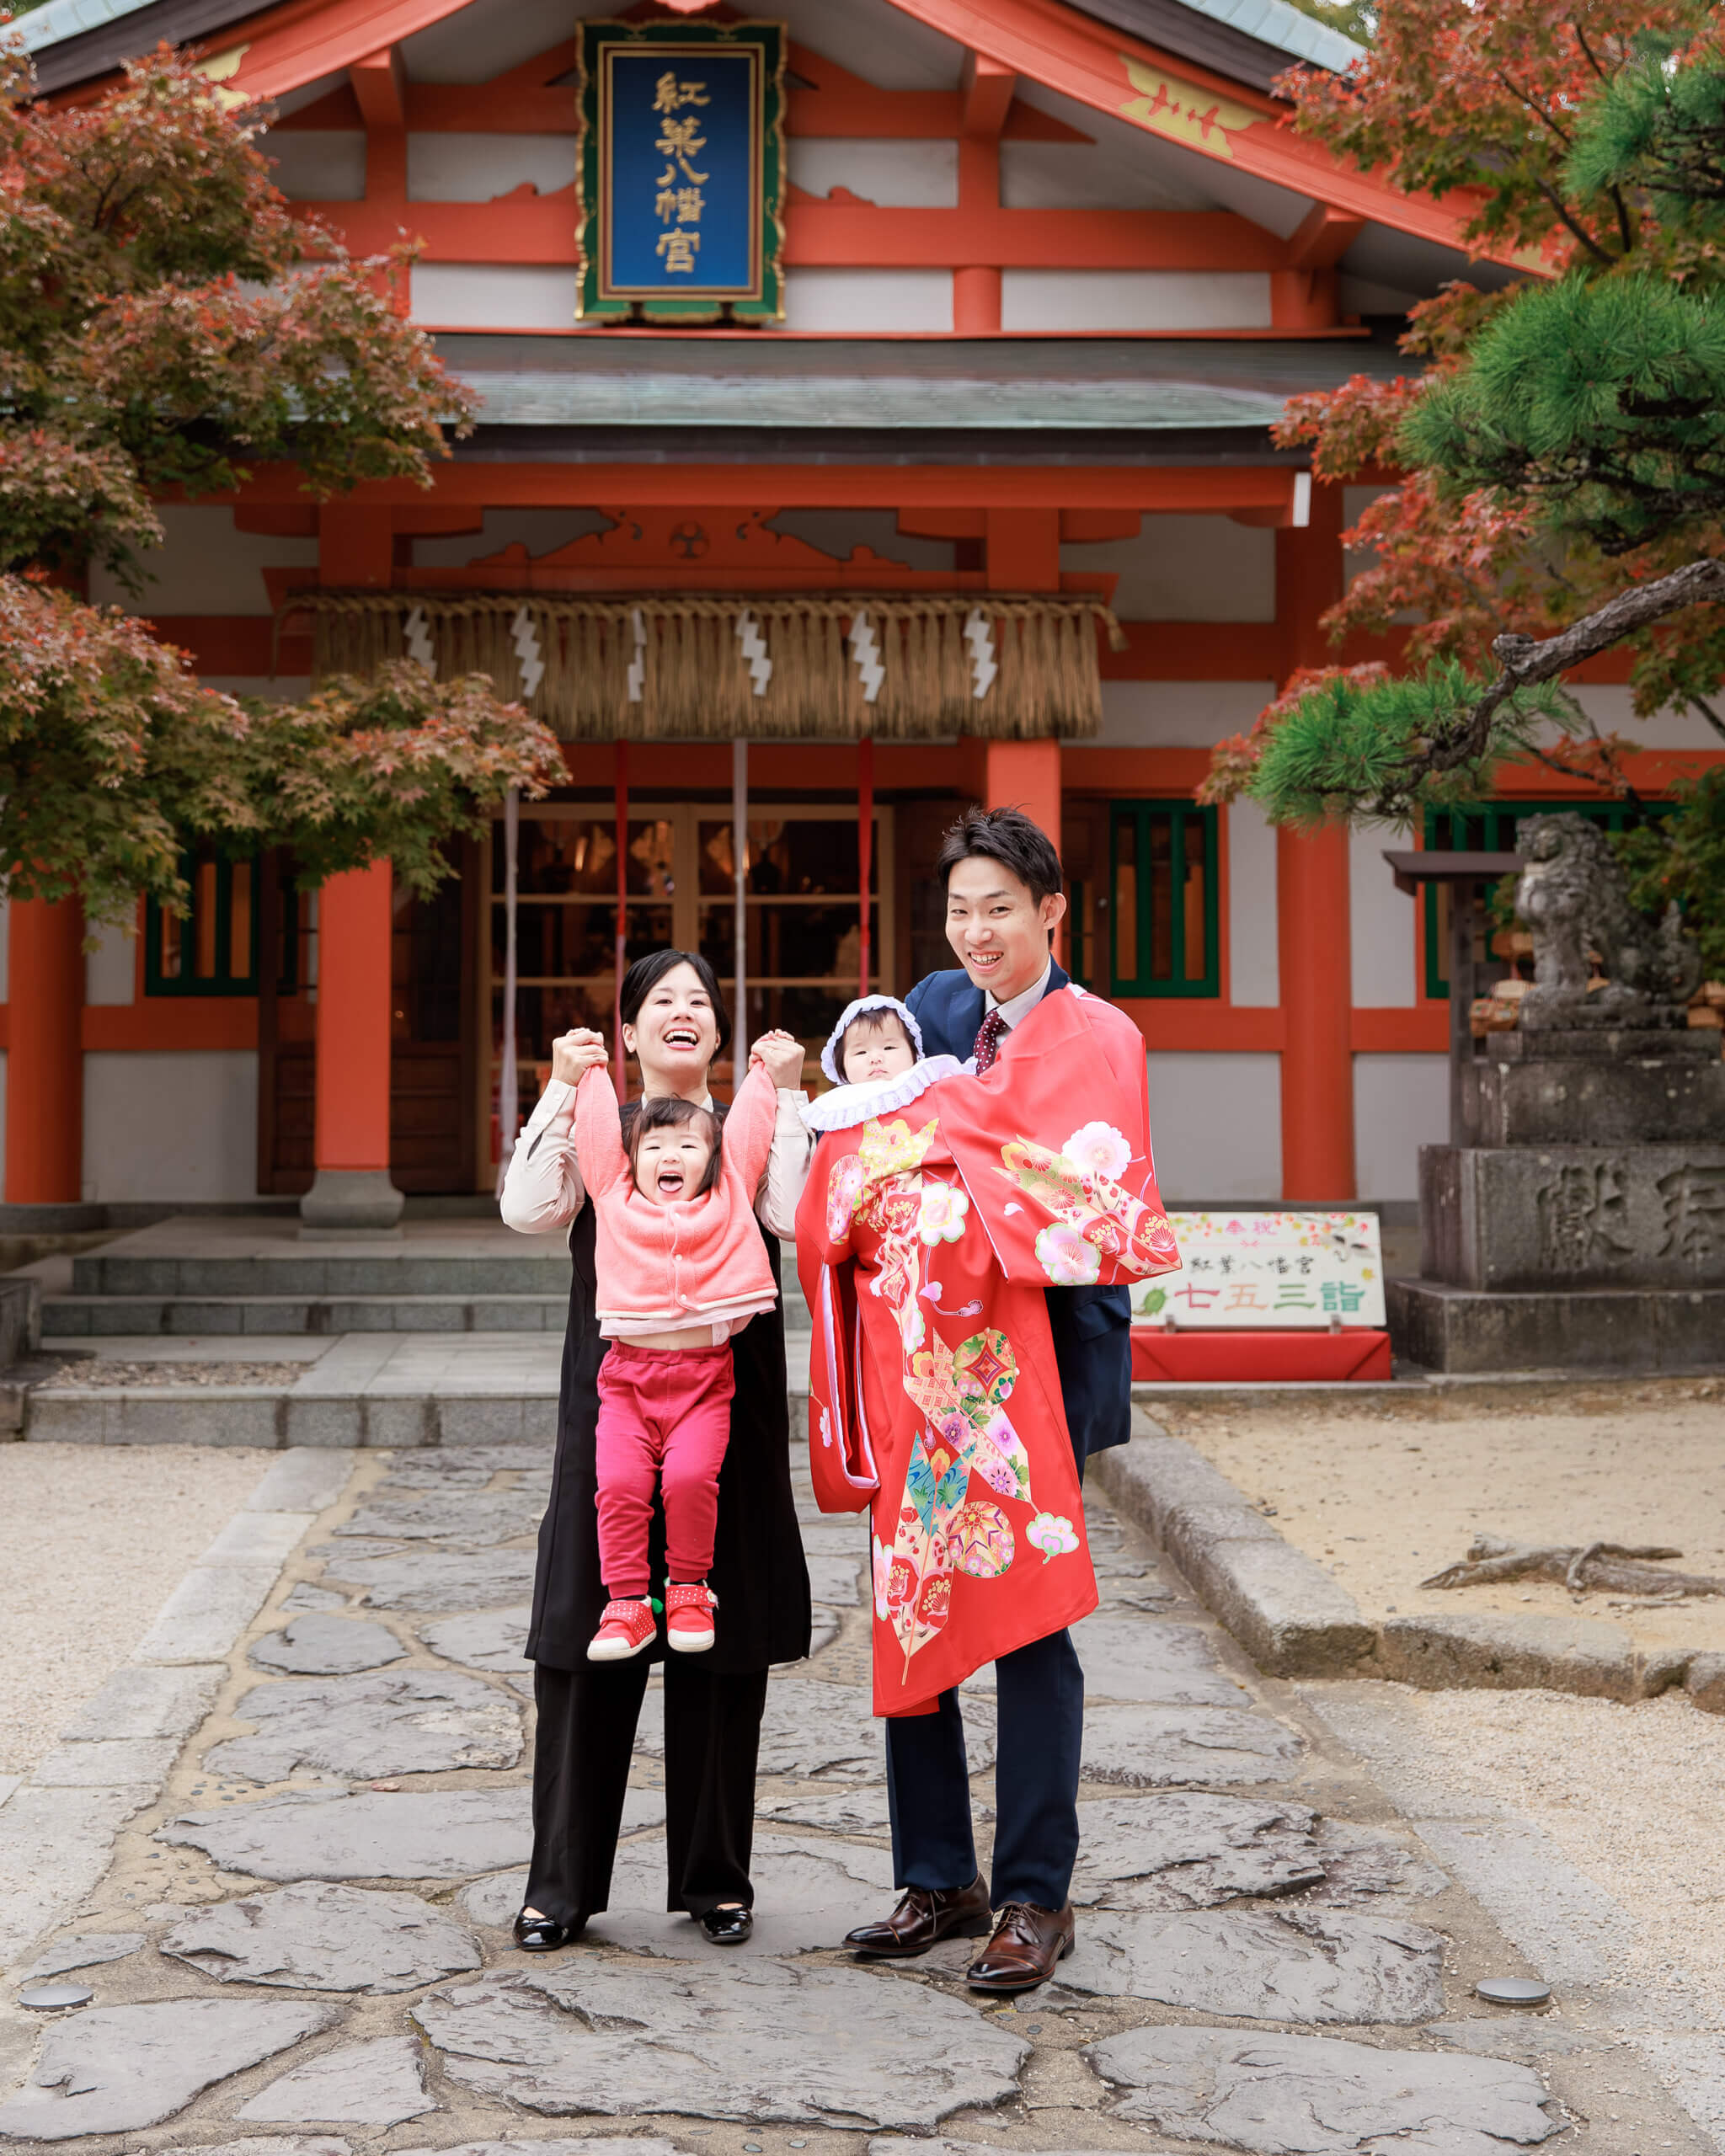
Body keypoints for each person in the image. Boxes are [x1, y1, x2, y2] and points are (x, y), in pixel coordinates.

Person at [828, 805, 1162, 1992]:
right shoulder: (931, 1011)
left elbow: (1089, 1198)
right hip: (917, 1357)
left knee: (1030, 1619)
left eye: (999, 910)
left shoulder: (1099, 1035)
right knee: (911, 1593)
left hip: (1045, 1363)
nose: (975, 934)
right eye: (960, 910)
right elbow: (864, 1135)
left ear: (1052, 912)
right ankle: (937, 1878)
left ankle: (1034, 1895)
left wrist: (959, 1143)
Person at [500, 952, 812, 1951]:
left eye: (701, 1004)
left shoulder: (746, 1136)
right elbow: (525, 1208)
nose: (683, 1013)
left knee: (722, 1640)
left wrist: (790, 1098)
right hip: (613, 1403)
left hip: (734, 1399)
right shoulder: (602, 1139)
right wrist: (557, 1084)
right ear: (627, 1034)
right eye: (659, 1003)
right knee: (587, 1624)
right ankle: (561, 1884)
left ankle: (715, 1877)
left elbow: (795, 1217)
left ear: (720, 1036)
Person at [562, 1043, 782, 1662]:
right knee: (621, 1485)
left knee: (690, 1479)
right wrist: (594, 1073)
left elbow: (746, 1137)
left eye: (688, 1146)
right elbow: (601, 1134)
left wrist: (764, 1075)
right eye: (654, 1146)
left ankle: (689, 1589)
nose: (670, 1155)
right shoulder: (614, 1194)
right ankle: (627, 1603)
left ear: (712, 1161)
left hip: (704, 1380)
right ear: (630, 1161)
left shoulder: (728, 1194)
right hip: (627, 1380)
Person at [798, 993, 964, 1137]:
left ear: (914, 1055)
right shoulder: (837, 1109)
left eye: (889, 1047)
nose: (875, 1058)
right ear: (841, 1065)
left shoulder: (929, 1090)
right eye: (861, 1052)